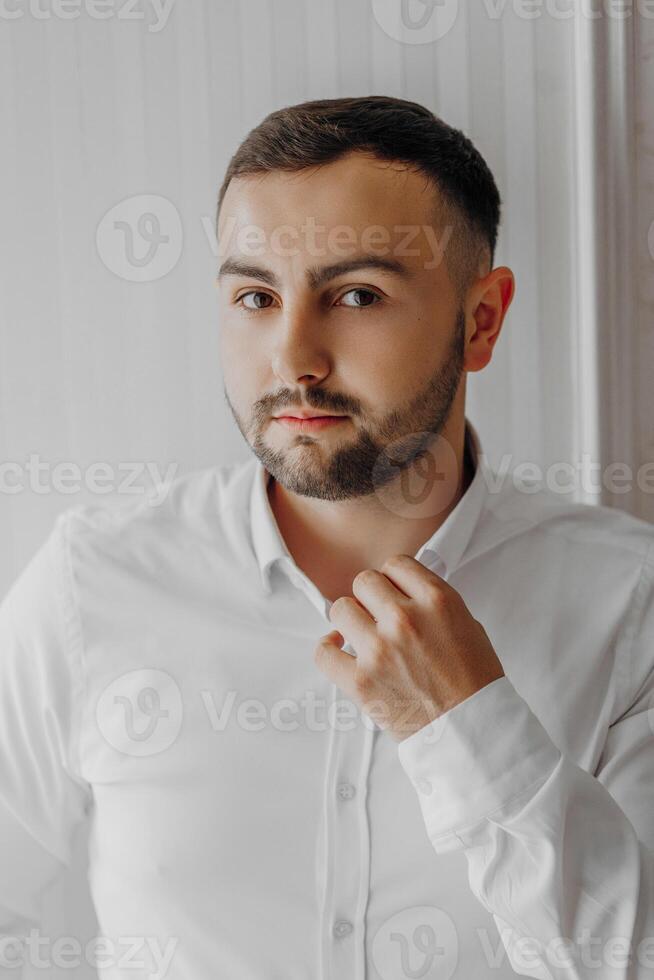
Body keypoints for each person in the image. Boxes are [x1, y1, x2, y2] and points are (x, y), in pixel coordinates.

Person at [1, 95, 653, 979]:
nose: (292, 355)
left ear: (482, 321)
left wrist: (469, 727)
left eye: (356, 294)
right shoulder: (90, 583)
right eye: (255, 295)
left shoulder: (629, 603)